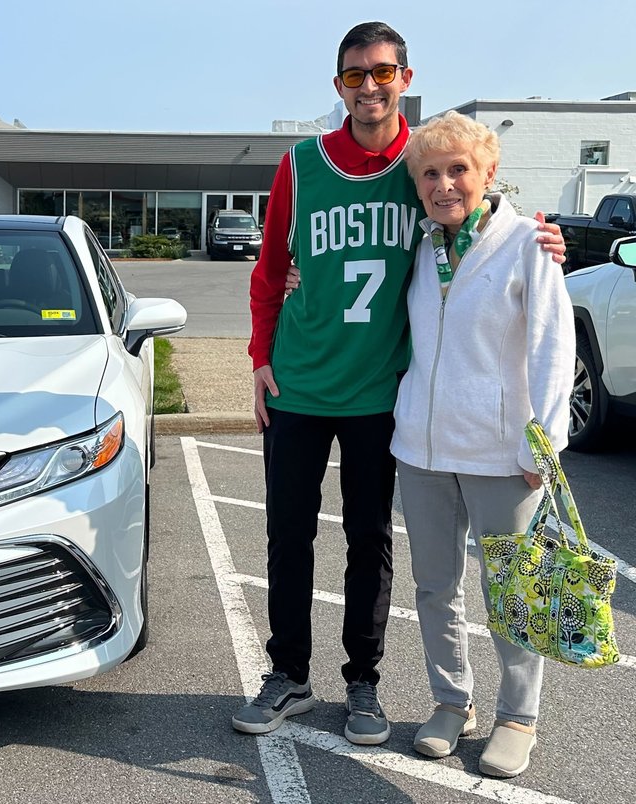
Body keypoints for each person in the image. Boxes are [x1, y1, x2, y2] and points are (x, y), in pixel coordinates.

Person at [234, 21, 566, 746]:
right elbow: (268, 271)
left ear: (404, 79)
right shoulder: (301, 163)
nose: (369, 86)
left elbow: (479, 219)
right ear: (339, 87)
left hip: (380, 395)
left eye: (382, 72)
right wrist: (260, 358)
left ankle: (364, 684)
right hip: (298, 384)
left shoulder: (420, 166)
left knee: (369, 541)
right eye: (355, 75)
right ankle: (287, 674)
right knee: (287, 537)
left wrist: (540, 236)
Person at [392, 111, 573, 777]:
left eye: (458, 170)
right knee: (436, 587)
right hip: (423, 450)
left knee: (514, 594)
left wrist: (541, 446)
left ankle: (518, 716)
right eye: (431, 173)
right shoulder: (418, 247)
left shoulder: (529, 243)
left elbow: (554, 346)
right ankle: (451, 702)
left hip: (504, 455)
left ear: (487, 173)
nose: (444, 184)